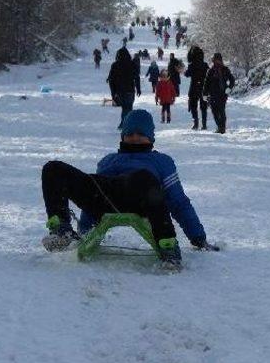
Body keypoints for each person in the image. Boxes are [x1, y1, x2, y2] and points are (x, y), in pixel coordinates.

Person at [40, 109, 220, 269]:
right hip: (105, 198)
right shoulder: (109, 160)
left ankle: (167, 245)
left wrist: (198, 238)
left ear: (151, 137)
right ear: (123, 135)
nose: (135, 137)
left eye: (141, 133)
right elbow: (95, 194)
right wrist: (86, 232)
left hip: (141, 198)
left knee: (144, 177)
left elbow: (178, 202)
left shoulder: (161, 161)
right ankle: (62, 231)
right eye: (130, 133)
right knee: (53, 168)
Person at [107, 47, 141, 129]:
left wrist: (113, 93)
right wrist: (138, 88)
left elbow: (111, 80)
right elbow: (136, 77)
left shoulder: (115, 65)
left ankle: (124, 123)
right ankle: (125, 123)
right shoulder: (132, 64)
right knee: (128, 107)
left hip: (119, 91)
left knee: (125, 107)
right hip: (130, 90)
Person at [203, 52, 235, 134]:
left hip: (222, 94)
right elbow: (206, 83)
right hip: (212, 95)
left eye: (218, 60)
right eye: (215, 60)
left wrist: (229, 88)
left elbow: (232, 80)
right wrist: (204, 94)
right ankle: (219, 126)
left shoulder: (225, 70)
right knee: (214, 111)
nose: (217, 62)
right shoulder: (210, 71)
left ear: (220, 60)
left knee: (221, 110)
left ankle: (222, 128)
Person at [185, 46, 209, 130]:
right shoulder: (205, 65)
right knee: (204, 107)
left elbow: (187, 74)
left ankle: (195, 123)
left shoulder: (192, 65)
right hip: (204, 88)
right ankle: (204, 124)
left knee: (193, 106)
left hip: (194, 87)